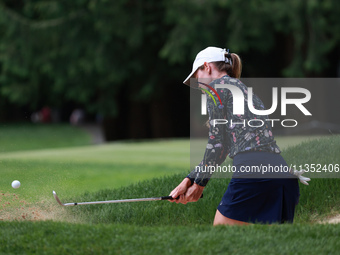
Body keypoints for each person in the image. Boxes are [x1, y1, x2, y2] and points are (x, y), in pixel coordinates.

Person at [169, 46, 307, 225]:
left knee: (221, 233)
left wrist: (199, 185)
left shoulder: (216, 88)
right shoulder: (243, 89)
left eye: (197, 78)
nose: (199, 86)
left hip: (252, 171)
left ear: (207, 67)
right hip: (281, 173)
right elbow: (224, 147)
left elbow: (216, 144)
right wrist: (189, 180)